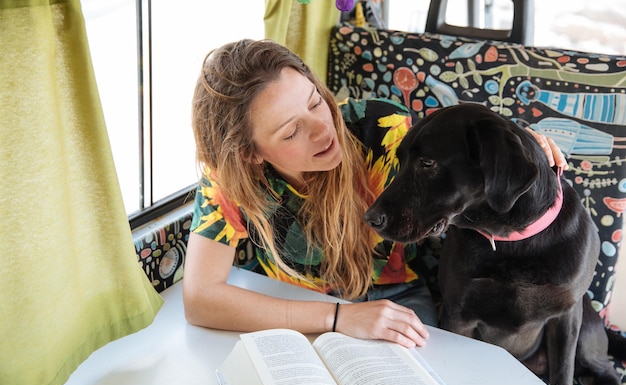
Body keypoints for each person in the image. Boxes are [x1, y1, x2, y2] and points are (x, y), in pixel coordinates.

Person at [183, 39, 567, 349]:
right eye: (291, 131)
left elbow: (461, 150)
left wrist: (519, 144)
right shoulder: (228, 181)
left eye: (315, 100)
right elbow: (200, 298)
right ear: (250, 154)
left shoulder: (382, 130)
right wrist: (337, 318)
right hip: (291, 310)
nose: (322, 129)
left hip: (395, 298)